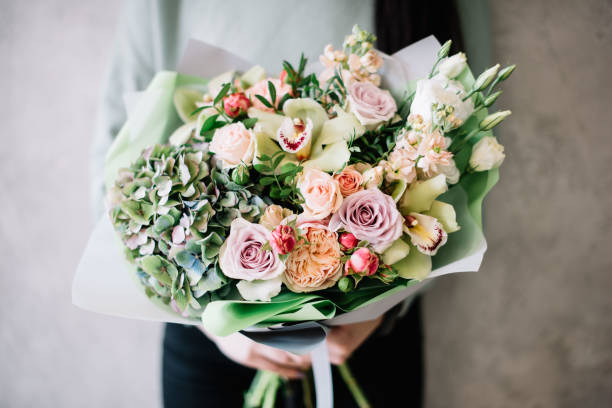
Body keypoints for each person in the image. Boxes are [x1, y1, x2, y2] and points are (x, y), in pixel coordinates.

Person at [92, 1, 487, 406]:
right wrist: (215, 323)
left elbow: (465, 139)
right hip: (211, 345)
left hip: (371, 338)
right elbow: (117, 152)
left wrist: (383, 310)